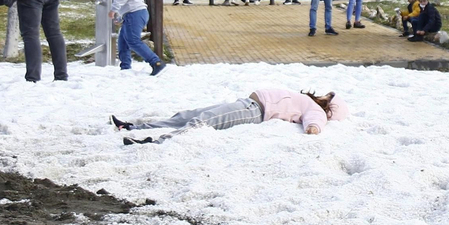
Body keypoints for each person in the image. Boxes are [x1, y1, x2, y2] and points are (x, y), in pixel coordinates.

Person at [109, 88, 348, 144]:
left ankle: (155, 142)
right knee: (189, 115)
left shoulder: (316, 110)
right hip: (246, 104)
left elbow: (314, 123)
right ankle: (133, 128)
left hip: (253, 111)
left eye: (330, 97)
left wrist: (314, 129)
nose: (325, 95)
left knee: (202, 121)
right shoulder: (307, 99)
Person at [104, 0, 167, 75]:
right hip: (133, 13)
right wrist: (120, 17)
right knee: (123, 41)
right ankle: (125, 68)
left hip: (135, 13)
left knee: (133, 41)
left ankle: (156, 62)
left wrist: (113, 9)